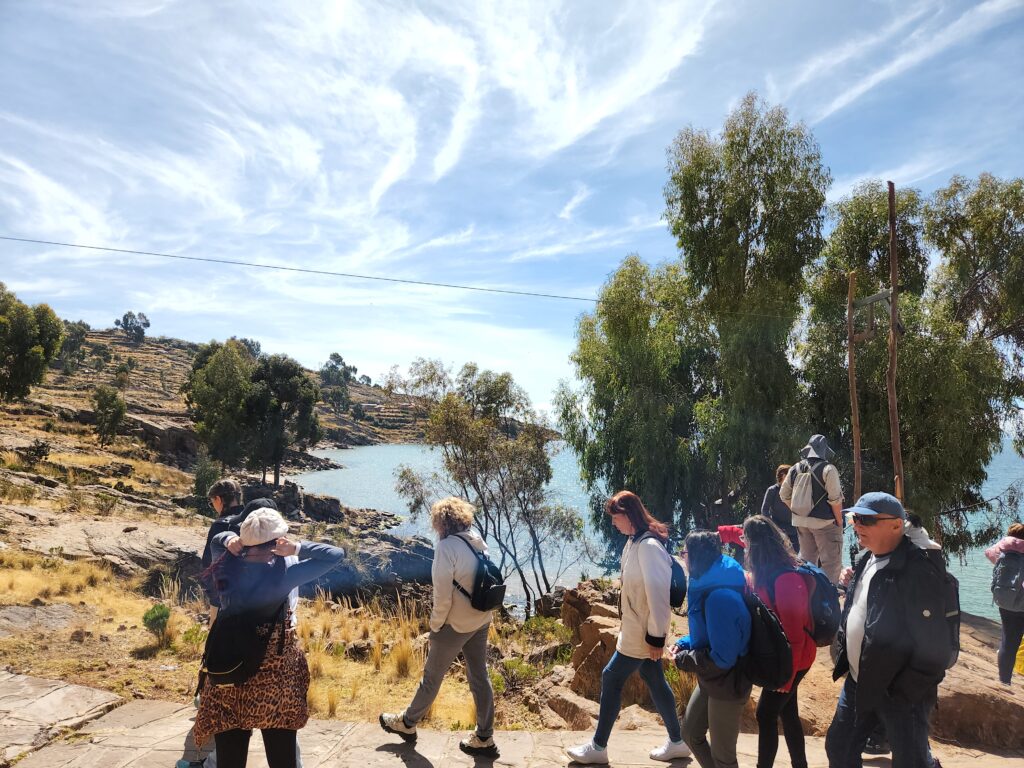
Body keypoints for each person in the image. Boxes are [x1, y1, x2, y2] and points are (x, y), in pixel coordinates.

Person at [192, 509, 346, 768]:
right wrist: (296, 548)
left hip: (228, 677)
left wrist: (230, 540)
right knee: (282, 760)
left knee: (229, 762)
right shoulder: (283, 577)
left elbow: (217, 539)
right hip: (273, 681)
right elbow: (335, 554)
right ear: (277, 542)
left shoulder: (226, 564)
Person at [826, 492, 953, 768]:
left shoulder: (918, 572)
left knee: (911, 762)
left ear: (896, 525)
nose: (858, 525)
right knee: (839, 748)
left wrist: (903, 693)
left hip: (899, 693)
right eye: (855, 518)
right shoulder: (867, 558)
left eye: (868, 520)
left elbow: (935, 649)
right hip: (860, 682)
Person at [566, 491, 690, 765]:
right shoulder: (633, 542)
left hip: (642, 634)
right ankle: (677, 742)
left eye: (615, 517)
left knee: (611, 677)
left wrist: (656, 638)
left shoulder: (648, 547)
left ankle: (598, 747)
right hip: (636, 629)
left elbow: (659, 597)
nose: (612, 522)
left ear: (628, 515)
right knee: (654, 679)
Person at [379, 497, 500, 758]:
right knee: (480, 677)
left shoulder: (446, 548)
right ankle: (484, 737)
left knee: (431, 678)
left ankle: (407, 723)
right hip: (481, 619)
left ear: (441, 523)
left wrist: (435, 627)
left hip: (455, 624)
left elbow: (442, 597)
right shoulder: (477, 540)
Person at [671, 530, 751, 768]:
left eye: (684, 552)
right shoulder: (709, 581)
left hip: (728, 682)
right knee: (690, 733)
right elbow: (712, 632)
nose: (682, 557)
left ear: (696, 556)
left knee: (723, 758)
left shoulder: (719, 597)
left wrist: (684, 659)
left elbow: (724, 658)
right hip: (712, 677)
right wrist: (685, 643)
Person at [743, 515, 815, 768]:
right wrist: (721, 534)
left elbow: (795, 636)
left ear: (754, 545)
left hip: (796, 658)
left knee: (765, 713)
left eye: (745, 540)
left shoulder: (786, 579)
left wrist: (787, 677)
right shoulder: (766, 570)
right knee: (788, 712)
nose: (743, 545)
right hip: (784, 654)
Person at [780, 434, 845, 585]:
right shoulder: (828, 469)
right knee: (831, 563)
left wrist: (799, 511)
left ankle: (807, 592)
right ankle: (829, 595)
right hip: (825, 523)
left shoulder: (795, 468)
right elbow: (835, 499)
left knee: (807, 562)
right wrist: (839, 521)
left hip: (801, 523)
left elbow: (783, 494)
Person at [985, 522, 1024, 686]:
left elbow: (988, 553)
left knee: (1008, 642)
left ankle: (1004, 681)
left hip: (1005, 600)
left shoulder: (1002, 548)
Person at [761, 464, 800, 552]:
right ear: (783, 475)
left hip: (794, 530)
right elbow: (764, 511)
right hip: (778, 532)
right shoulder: (772, 490)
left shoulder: (795, 490)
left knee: (796, 555)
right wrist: (774, 527)